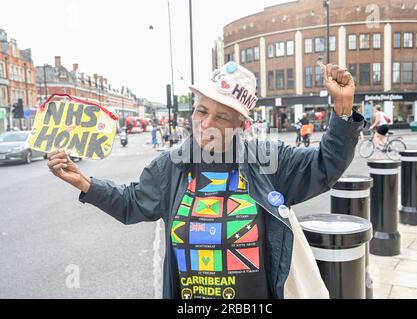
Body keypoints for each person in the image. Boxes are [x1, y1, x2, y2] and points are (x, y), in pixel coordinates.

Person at [47, 61, 363, 299]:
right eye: (201, 111)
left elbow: (325, 166)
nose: (207, 124)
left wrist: (342, 108)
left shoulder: (270, 161)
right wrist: (86, 184)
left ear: (241, 123)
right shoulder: (171, 166)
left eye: (222, 116)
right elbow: (132, 202)